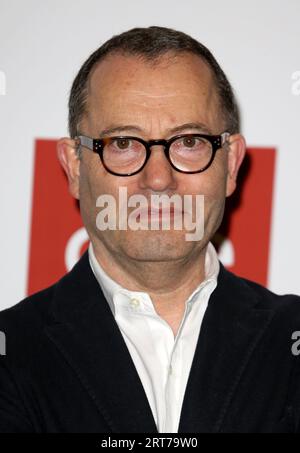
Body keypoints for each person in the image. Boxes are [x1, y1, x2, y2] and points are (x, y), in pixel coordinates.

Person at [1, 26, 300, 434]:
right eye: (123, 144)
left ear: (230, 165)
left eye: (189, 141)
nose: (158, 179)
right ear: (74, 166)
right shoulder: (10, 351)